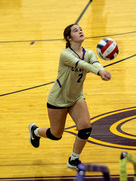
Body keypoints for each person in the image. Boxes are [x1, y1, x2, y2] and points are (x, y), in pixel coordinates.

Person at [29, 24, 111, 170]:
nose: (80, 31)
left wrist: (103, 70)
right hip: (58, 99)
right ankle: (35, 131)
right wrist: (99, 73)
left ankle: (73, 160)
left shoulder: (90, 53)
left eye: (80, 29)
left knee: (85, 128)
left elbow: (96, 63)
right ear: (69, 37)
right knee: (56, 135)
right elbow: (82, 65)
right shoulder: (65, 54)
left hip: (76, 97)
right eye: (75, 30)